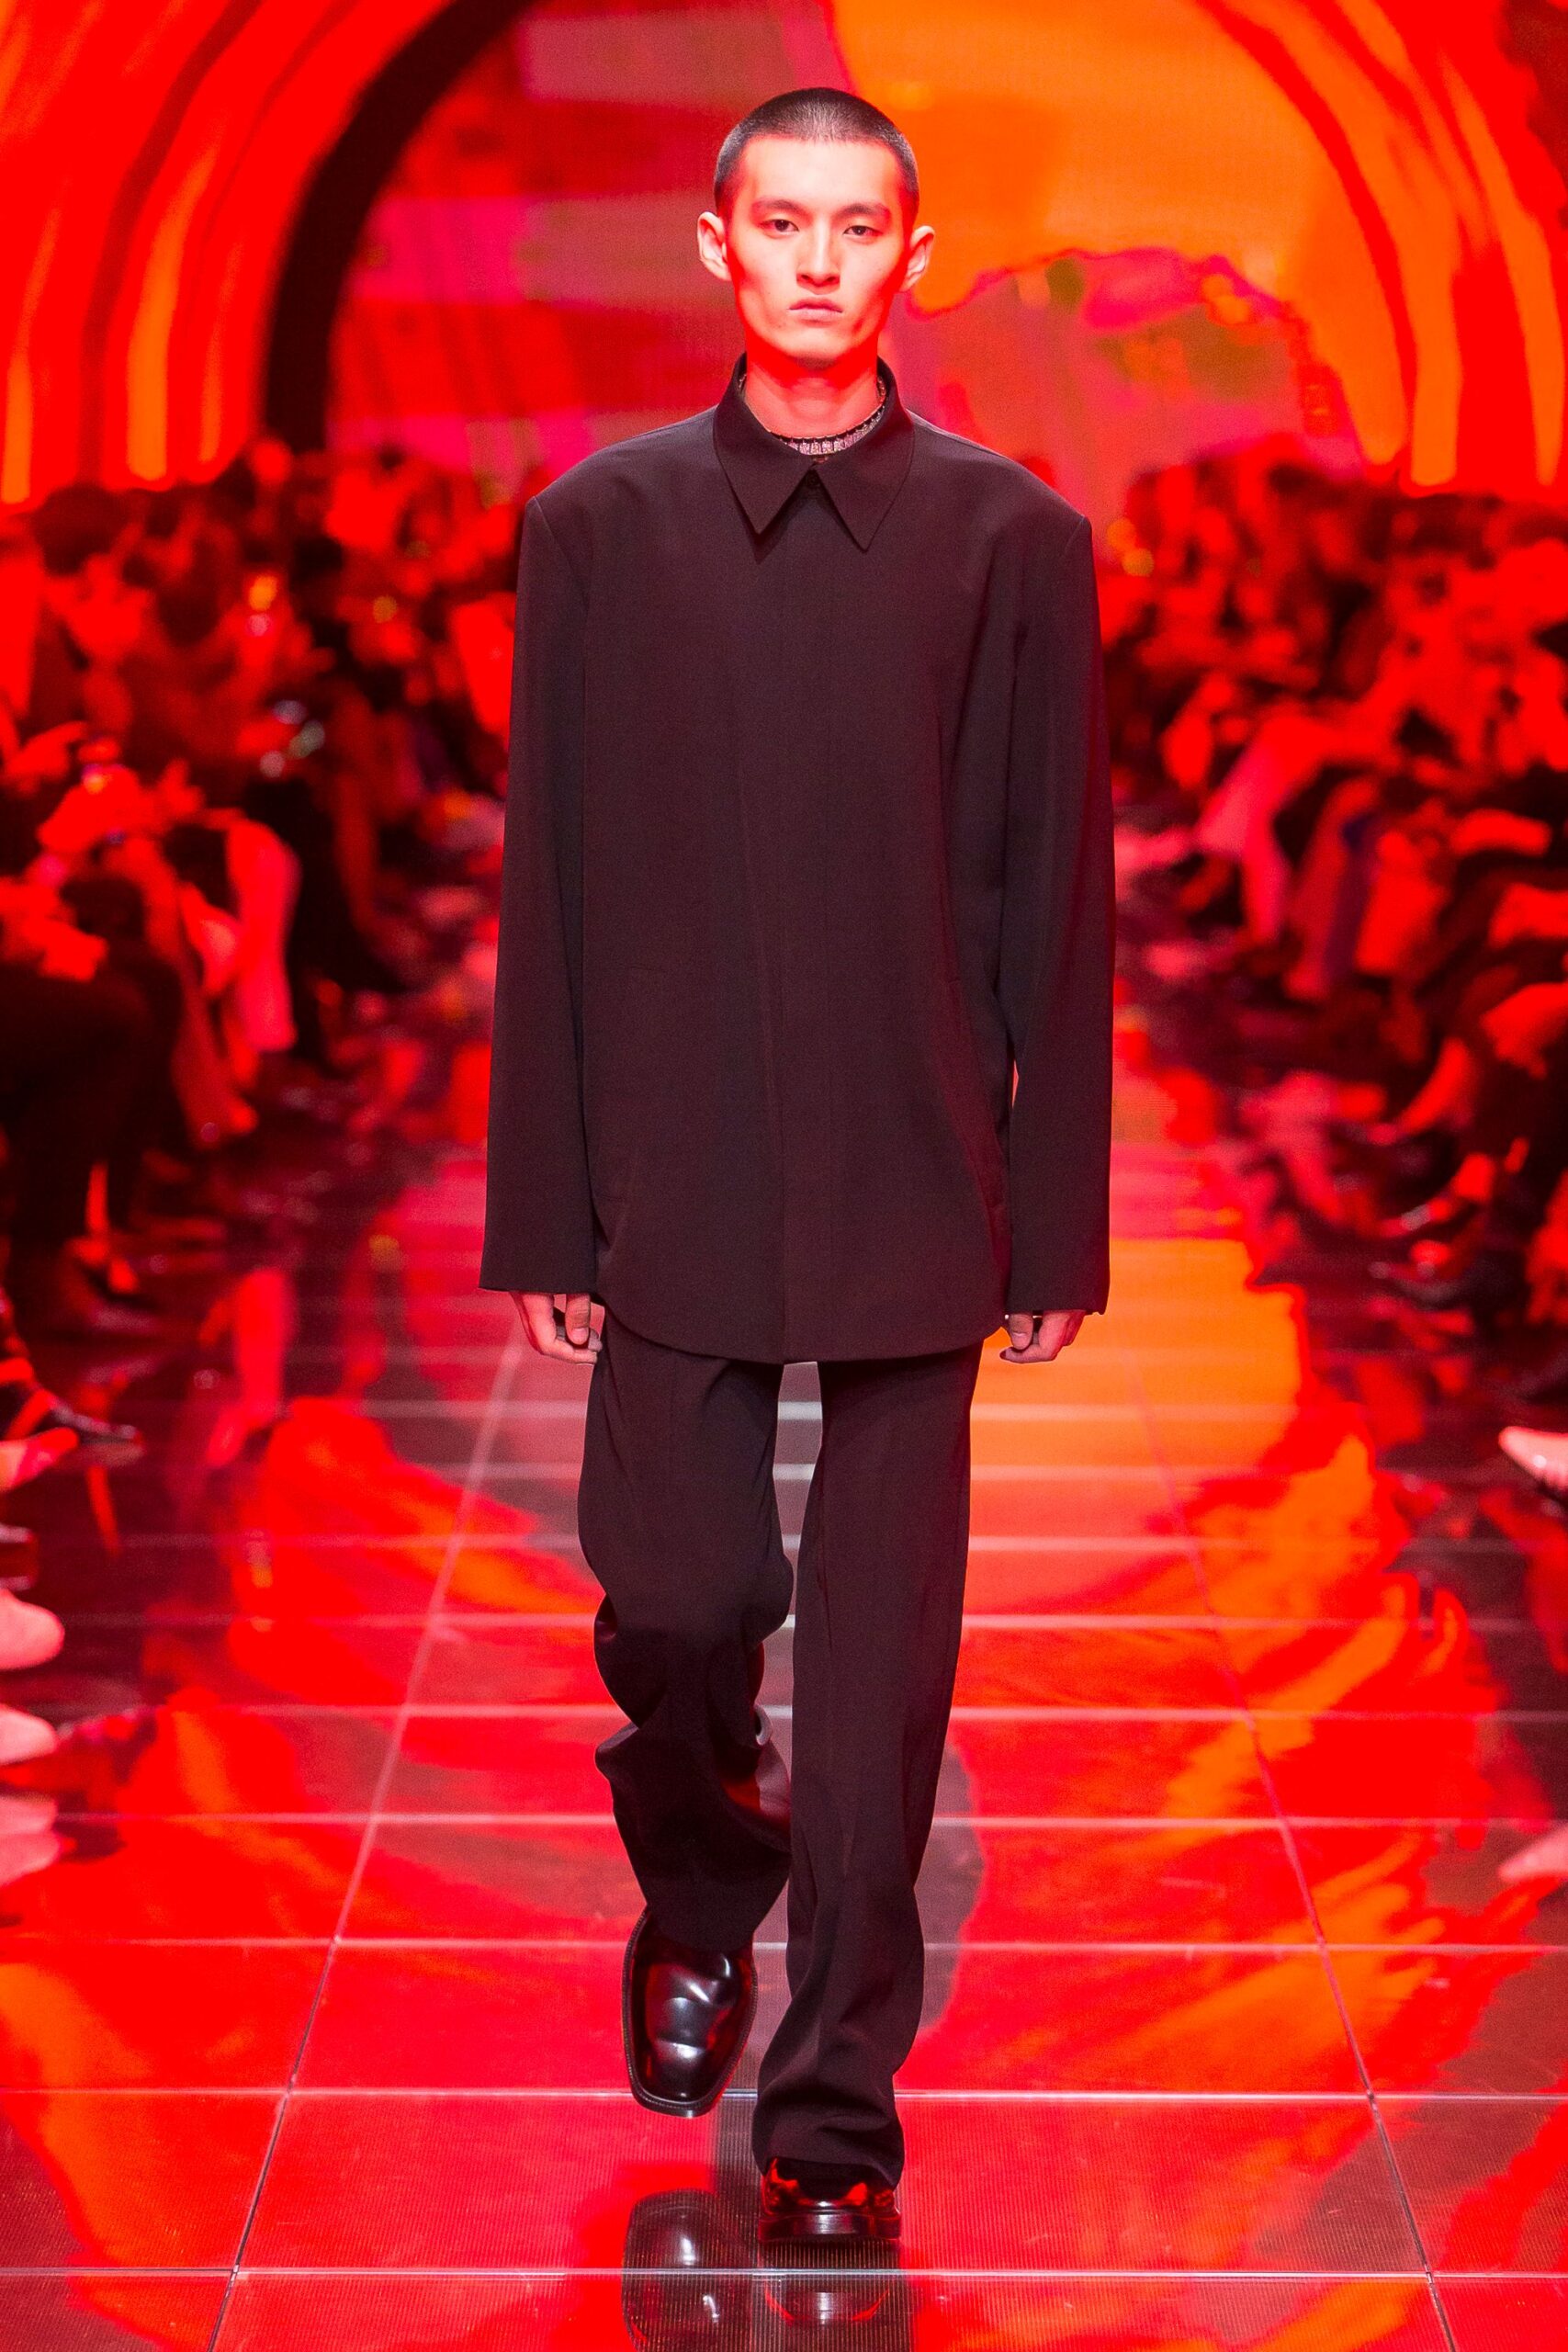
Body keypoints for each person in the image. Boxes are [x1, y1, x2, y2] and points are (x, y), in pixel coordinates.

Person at [480, 87, 1113, 2249]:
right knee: (673, 1603)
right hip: (670, 1154)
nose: (820, 261)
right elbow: (549, 884)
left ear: (909, 259)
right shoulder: (598, 528)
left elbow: (1054, 894)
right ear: (716, 245)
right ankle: (696, 1881)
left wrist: (1057, 1208)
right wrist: (543, 1196)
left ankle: (835, 2105)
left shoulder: (1015, 541)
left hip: (917, 1153)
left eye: (858, 227)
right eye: (782, 223)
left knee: (876, 1690)